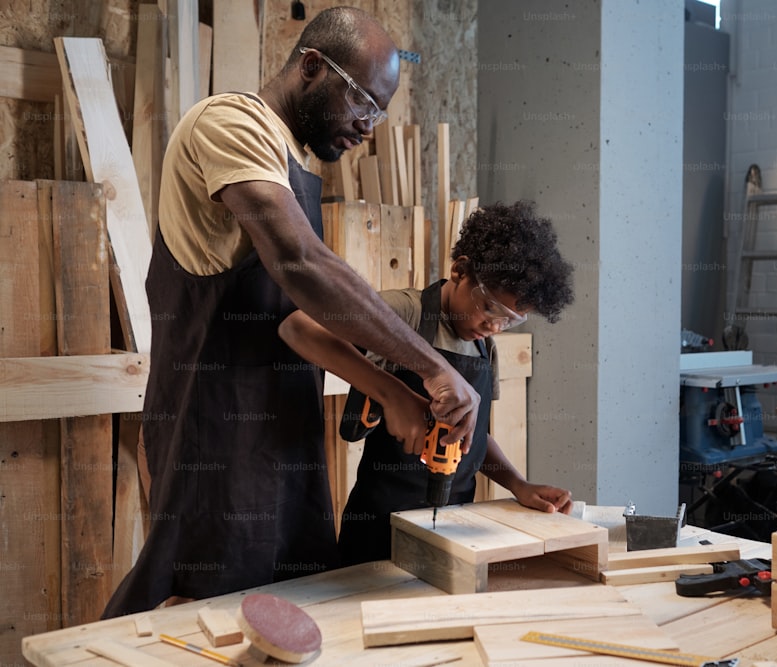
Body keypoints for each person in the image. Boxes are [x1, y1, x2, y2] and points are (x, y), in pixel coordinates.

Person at [102, 7, 480, 617]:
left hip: (281, 427)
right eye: (364, 104)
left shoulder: (292, 159)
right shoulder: (232, 124)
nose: (369, 127)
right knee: (203, 612)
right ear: (311, 67)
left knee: (291, 603)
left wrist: (388, 389)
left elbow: (292, 325)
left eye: (380, 112)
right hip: (215, 428)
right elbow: (301, 265)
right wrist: (433, 368)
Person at [278, 200, 576, 565]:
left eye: (510, 320)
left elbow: (475, 435)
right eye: (490, 308)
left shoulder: (485, 346)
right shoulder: (406, 313)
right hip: (379, 525)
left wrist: (518, 485)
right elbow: (298, 327)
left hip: (452, 525)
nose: (494, 325)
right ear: (460, 270)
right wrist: (391, 394)